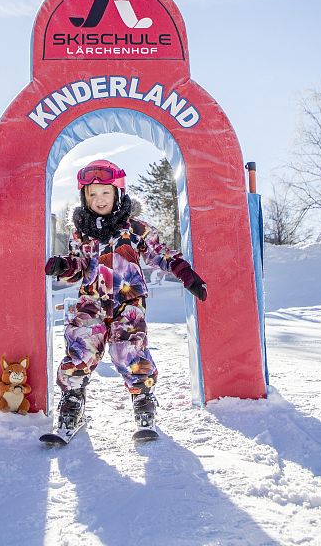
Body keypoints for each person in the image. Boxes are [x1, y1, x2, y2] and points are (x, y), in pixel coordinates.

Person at [44, 159, 206, 433]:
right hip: (91, 303)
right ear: (84, 197)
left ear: (117, 193)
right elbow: (79, 266)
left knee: (128, 351)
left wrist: (184, 272)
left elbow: (160, 253)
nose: (99, 199)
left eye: (105, 192)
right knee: (81, 348)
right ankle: (73, 401)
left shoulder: (134, 229)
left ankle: (143, 399)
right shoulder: (80, 232)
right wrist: (64, 266)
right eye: (92, 194)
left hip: (128, 303)